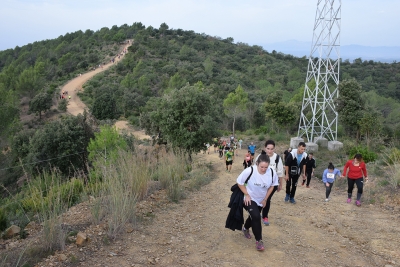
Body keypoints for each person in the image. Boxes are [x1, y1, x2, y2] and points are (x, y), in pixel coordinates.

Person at [237, 154, 278, 251]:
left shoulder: (272, 172)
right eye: (261, 167)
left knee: (253, 217)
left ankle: (245, 228)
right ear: (257, 164)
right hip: (249, 198)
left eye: (266, 167)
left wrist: (265, 199)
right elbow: (240, 183)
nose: (264, 169)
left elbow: (273, 185)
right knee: (256, 216)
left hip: (261, 199)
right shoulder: (249, 170)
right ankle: (259, 241)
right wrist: (246, 194)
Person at [254, 140, 284, 226]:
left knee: (267, 199)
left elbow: (280, 172)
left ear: (274, 149)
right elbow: (255, 169)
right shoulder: (260, 156)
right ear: (265, 148)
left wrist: (280, 184)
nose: (270, 151)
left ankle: (265, 216)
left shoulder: (277, 158)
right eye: (268, 148)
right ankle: (256, 213)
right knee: (259, 198)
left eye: (272, 149)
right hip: (260, 183)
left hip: (272, 184)